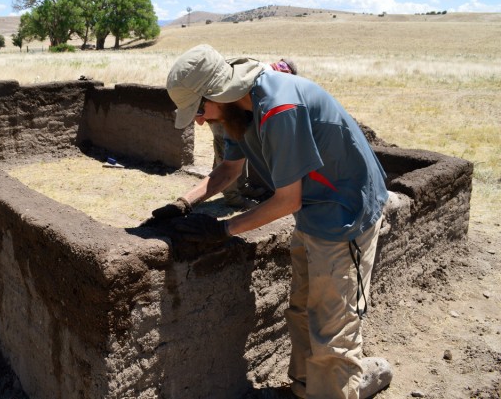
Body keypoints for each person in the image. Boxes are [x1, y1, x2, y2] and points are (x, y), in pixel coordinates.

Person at [148, 44, 392, 399]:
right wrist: (183, 203)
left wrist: (223, 229)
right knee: (303, 309)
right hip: (312, 213)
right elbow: (229, 171)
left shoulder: (279, 110)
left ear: (218, 93)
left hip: (344, 214)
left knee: (333, 329)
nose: (199, 120)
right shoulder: (238, 113)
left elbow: (286, 200)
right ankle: (305, 390)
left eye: (199, 109)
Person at [207, 58, 298, 210]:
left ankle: (241, 187)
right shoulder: (271, 77)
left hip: (236, 115)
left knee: (242, 150)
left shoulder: (267, 72)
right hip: (224, 115)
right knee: (226, 154)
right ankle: (232, 197)